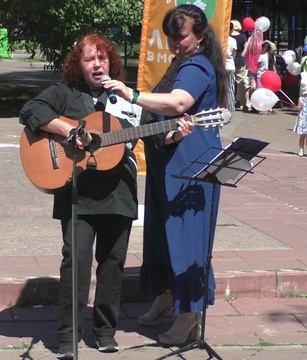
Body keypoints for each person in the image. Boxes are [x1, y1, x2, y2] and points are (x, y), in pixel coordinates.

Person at [103, 4, 228, 346]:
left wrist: (132, 94)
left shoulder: (198, 65)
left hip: (190, 165)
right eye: (171, 37)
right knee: (160, 234)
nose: (175, 43)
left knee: (186, 236)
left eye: (181, 36)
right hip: (168, 160)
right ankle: (164, 294)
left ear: (200, 35)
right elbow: (163, 117)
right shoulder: (180, 61)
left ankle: (188, 315)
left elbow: (177, 103)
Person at [19, 33, 141, 360]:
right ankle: (68, 336)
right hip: (78, 192)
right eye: (90, 59)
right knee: (77, 263)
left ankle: (104, 332)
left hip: (120, 192)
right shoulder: (66, 94)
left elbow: (154, 136)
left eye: (102, 58)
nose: (97, 64)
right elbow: (31, 110)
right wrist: (68, 131)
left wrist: (173, 131)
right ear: (80, 64)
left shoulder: (127, 97)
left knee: (113, 264)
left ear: (111, 62)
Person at [243, 28, 264, 112]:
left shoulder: (250, 41)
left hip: (251, 66)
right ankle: (256, 104)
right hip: (259, 67)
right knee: (258, 87)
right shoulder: (262, 43)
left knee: (252, 87)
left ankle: (249, 103)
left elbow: (243, 53)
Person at [230, 19, 248, 111]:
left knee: (230, 82)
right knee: (241, 83)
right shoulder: (243, 37)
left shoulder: (228, 36)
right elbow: (246, 49)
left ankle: (230, 101)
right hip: (240, 61)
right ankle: (242, 103)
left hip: (230, 61)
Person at [226, 22, 238, 111]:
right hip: (230, 65)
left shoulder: (220, 39)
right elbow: (234, 54)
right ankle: (230, 107)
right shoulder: (233, 40)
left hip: (220, 66)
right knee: (230, 87)